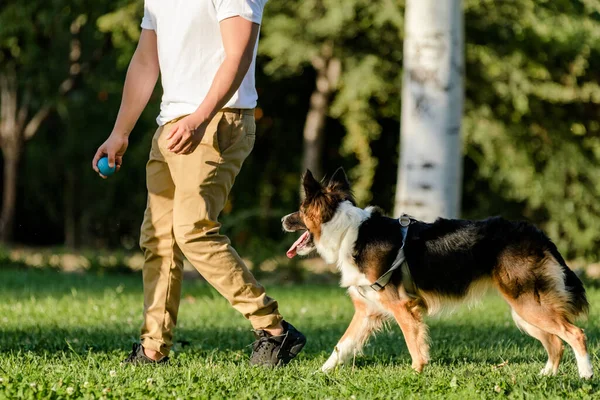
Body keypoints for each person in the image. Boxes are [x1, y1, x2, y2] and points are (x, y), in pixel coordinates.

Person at [92, 0, 305, 367]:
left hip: (218, 120)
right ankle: (152, 348)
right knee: (157, 238)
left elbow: (238, 54)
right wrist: (120, 132)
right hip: (171, 124)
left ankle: (273, 329)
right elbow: (146, 60)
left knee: (193, 230)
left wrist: (200, 118)